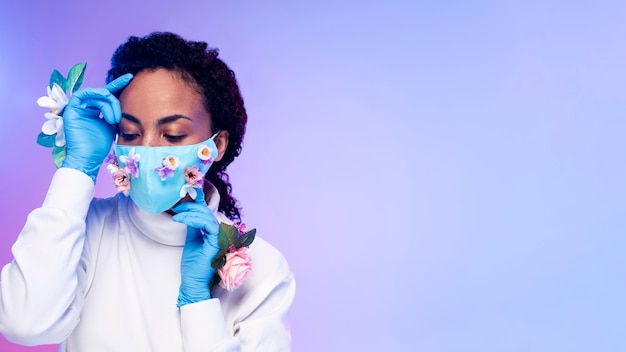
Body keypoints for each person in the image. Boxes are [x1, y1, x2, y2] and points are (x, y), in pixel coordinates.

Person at [0, 32, 295, 351]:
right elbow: (25, 324)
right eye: (130, 133)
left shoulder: (261, 266)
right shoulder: (85, 229)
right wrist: (77, 169)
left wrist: (196, 300)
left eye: (172, 135)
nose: (148, 148)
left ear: (217, 144)